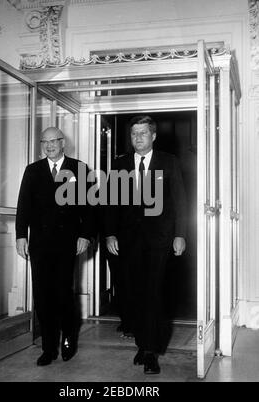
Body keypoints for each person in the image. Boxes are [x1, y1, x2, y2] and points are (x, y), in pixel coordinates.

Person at [105, 115, 186, 374]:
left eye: (142, 133)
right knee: (134, 293)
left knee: (153, 293)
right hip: (128, 241)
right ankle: (142, 343)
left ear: (153, 136)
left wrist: (179, 234)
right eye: (133, 134)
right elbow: (110, 204)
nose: (137, 138)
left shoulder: (169, 162)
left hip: (159, 240)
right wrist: (110, 234)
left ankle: (151, 351)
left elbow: (180, 202)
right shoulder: (120, 164)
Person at [16, 127, 94, 366]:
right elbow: (24, 206)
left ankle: (69, 340)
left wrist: (85, 235)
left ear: (63, 143)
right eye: (44, 142)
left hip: (67, 243)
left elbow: (90, 208)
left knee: (63, 294)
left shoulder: (79, 168)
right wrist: (21, 236)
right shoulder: (33, 170)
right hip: (40, 244)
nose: (49, 145)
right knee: (42, 296)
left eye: (54, 141)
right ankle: (48, 347)